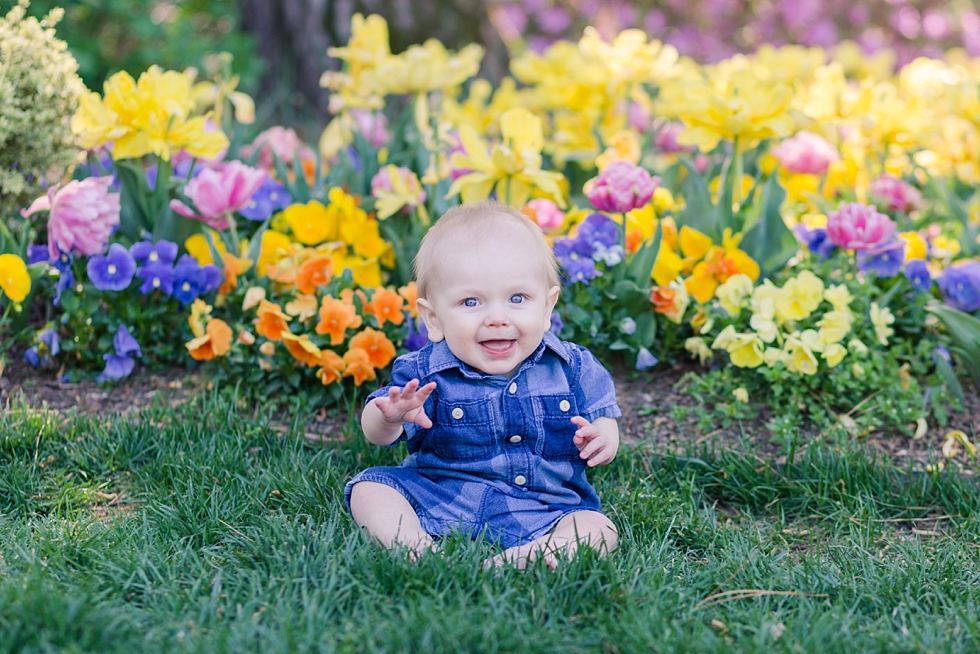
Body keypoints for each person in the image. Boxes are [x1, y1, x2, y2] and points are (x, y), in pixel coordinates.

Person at [346, 200, 621, 569]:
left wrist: (604, 438)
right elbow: (376, 433)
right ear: (433, 318)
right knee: (369, 489)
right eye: (471, 301)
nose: (496, 318)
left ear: (547, 307)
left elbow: (605, 416)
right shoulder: (424, 373)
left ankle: (528, 557)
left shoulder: (573, 367)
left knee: (598, 529)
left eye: (517, 298)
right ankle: (414, 547)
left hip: (543, 507)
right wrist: (391, 417)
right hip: (441, 492)